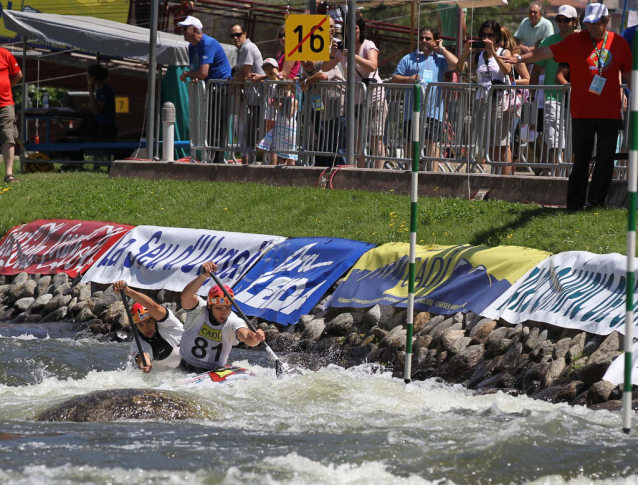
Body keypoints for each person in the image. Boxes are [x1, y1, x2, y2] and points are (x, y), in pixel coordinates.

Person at [501, 3, 632, 210]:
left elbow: (629, 77)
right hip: (582, 112)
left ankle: (597, 202)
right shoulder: (575, 40)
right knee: (581, 160)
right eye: (587, 23)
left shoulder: (619, 43)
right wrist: (519, 58)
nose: (590, 27)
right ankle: (574, 204)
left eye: (595, 23)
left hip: (609, 112)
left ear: (606, 21)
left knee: (606, 160)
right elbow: (544, 53)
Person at [323, 15, 387, 169]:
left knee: (375, 138)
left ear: (361, 29)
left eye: (356, 28)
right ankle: (359, 171)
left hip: (373, 97)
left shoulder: (368, 45)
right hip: (355, 99)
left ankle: (379, 173)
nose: (352, 31)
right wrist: (332, 54)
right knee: (357, 139)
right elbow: (324, 67)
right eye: (349, 28)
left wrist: (353, 56)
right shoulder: (341, 49)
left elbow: (372, 65)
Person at [179, 261, 265, 373]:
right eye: (219, 308)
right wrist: (203, 276)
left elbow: (247, 338)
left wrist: (255, 337)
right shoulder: (199, 310)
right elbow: (185, 297)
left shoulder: (233, 320)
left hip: (213, 372)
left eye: (228, 308)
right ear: (209, 305)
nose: (223, 313)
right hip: (185, 368)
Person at [392, 26, 458, 168]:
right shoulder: (408, 58)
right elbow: (395, 77)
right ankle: (410, 173)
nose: (424, 40)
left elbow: (456, 65)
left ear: (435, 41)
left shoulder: (440, 59)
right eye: (421, 37)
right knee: (410, 142)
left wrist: (442, 49)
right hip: (412, 110)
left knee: (432, 143)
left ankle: (432, 176)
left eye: (428, 38)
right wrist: (409, 79)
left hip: (434, 111)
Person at [458, 20, 516, 174]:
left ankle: (505, 179)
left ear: (497, 36)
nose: (486, 37)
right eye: (483, 34)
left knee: (502, 143)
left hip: (500, 99)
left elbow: (507, 70)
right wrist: (465, 52)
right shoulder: (479, 56)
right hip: (482, 100)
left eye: (490, 34)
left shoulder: (504, 52)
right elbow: (459, 68)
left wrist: (494, 53)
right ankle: (495, 176)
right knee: (490, 143)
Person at [529, 4, 578, 175]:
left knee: (576, 140)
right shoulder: (547, 42)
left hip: (579, 100)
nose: (562, 23)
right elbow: (535, 69)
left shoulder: (583, 40)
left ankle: (572, 176)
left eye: (566, 20)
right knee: (555, 140)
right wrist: (532, 96)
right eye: (559, 19)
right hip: (553, 98)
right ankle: (557, 176)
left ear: (575, 21)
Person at [178, 16, 232, 164]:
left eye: (184, 29)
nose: (181, 31)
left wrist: (188, 75)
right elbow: (197, 71)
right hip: (210, 88)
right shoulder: (192, 46)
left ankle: (218, 160)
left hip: (221, 88)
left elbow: (202, 73)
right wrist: (193, 76)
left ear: (195, 30)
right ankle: (210, 157)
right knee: (210, 124)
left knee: (218, 123)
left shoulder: (207, 43)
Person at [301, 17, 347, 167]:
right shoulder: (315, 46)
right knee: (321, 139)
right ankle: (320, 168)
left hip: (336, 104)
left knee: (333, 141)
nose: (331, 29)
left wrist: (308, 81)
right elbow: (310, 69)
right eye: (328, 26)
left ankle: (333, 170)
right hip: (320, 104)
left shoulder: (335, 49)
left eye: (333, 26)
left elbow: (324, 74)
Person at [112, 280, 184, 373]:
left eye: (149, 321)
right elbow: (142, 355)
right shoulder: (137, 343)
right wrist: (144, 363)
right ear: (136, 326)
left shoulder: (169, 324)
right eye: (140, 324)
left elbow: (153, 307)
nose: (146, 328)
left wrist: (127, 291)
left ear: (154, 318)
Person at [229, 23, 265, 165]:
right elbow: (239, 74)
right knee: (245, 134)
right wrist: (235, 73)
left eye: (238, 34)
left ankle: (252, 166)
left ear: (245, 34)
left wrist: (236, 73)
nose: (235, 37)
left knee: (252, 134)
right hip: (250, 98)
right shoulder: (241, 50)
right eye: (232, 35)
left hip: (257, 98)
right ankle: (247, 165)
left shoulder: (248, 48)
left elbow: (244, 76)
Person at [0, 47, 22, 184]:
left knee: (8, 136)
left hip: (5, 103)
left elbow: (18, 74)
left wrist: (8, 88)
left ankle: (9, 174)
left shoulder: (5, 53)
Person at [85, 65, 117, 139]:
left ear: (93, 77)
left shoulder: (105, 91)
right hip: (100, 126)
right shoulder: (99, 91)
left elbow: (96, 110)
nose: (86, 78)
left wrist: (91, 93)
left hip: (105, 128)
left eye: (88, 76)